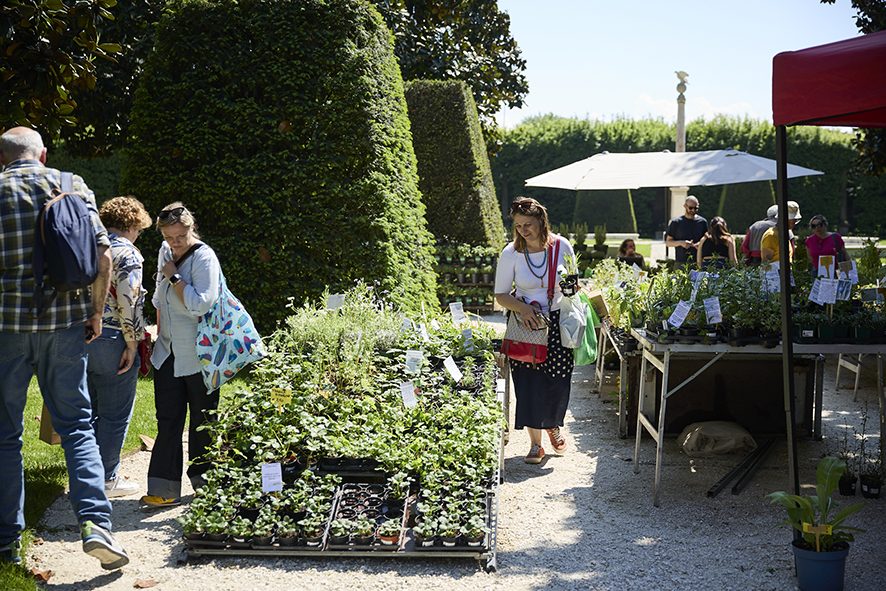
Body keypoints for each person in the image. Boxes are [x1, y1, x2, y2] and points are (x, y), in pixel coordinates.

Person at [0, 127, 129, 569]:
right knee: (76, 427)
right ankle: (96, 526)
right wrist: (95, 313)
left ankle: (6, 544)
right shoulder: (71, 184)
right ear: (43, 154)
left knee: (5, 436)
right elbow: (105, 256)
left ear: (2, 159)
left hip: (6, 330)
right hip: (66, 327)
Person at [142, 203, 221, 507]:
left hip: (200, 355)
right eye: (169, 236)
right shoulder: (165, 252)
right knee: (168, 420)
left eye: (180, 235)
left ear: (191, 228)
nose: (175, 242)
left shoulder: (204, 258)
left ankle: (206, 486)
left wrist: (175, 278)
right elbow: (160, 302)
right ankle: (164, 489)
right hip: (168, 352)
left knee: (203, 421)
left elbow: (201, 304)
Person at [495, 197, 575, 464]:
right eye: (518, 225)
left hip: (555, 323)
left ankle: (552, 424)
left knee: (557, 379)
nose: (523, 230)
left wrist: (571, 288)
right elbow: (501, 295)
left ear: (542, 221)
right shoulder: (511, 253)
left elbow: (574, 285)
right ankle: (535, 444)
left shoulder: (562, 246)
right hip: (525, 323)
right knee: (528, 383)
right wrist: (523, 308)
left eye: (528, 224)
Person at [87, 197, 153, 498]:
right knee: (114, 413)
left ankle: (86, 476)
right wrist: (133, 343)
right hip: (112, 339)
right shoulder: (127, 254)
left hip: (78, 338)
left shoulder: (88, 247)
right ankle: (107, 480)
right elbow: (130, 302)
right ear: (133, 224)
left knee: (88, 412)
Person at [665, 195, 707, 268]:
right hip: (681, 262)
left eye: (696, 208)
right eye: (690, 208)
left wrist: (700, 244)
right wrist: (681, 243)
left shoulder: (702, 222)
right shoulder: (676, 222)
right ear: (685, 206)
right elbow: (668, 242)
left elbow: (707, 240)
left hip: (698, 261)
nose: (693, 210)